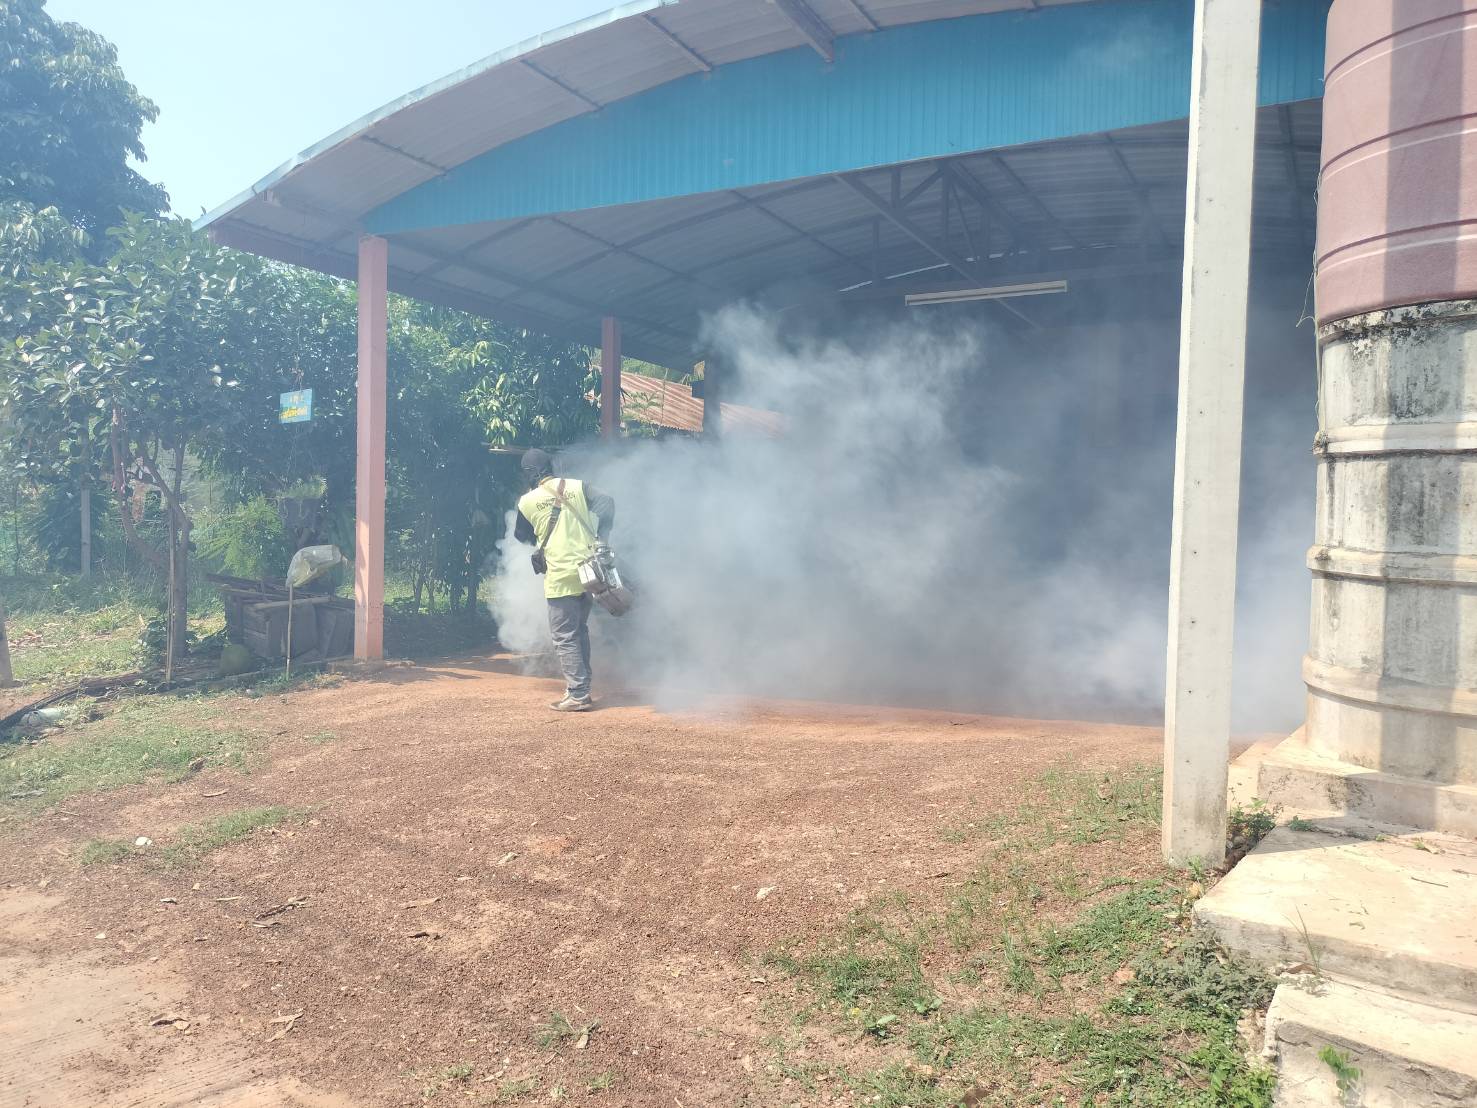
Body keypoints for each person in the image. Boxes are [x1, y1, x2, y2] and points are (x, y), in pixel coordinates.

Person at [513, 448, 615, 712]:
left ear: (529, 473)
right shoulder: (577, 486)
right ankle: (581, 686)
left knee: (564, 637)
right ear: (551, 467)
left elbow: (520, 536)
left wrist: (540, 542)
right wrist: (602, 538)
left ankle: (578, 693)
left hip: (561, 576)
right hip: (589, 572)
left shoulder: (527, 501)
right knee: (579, 630)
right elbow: (607, 501)